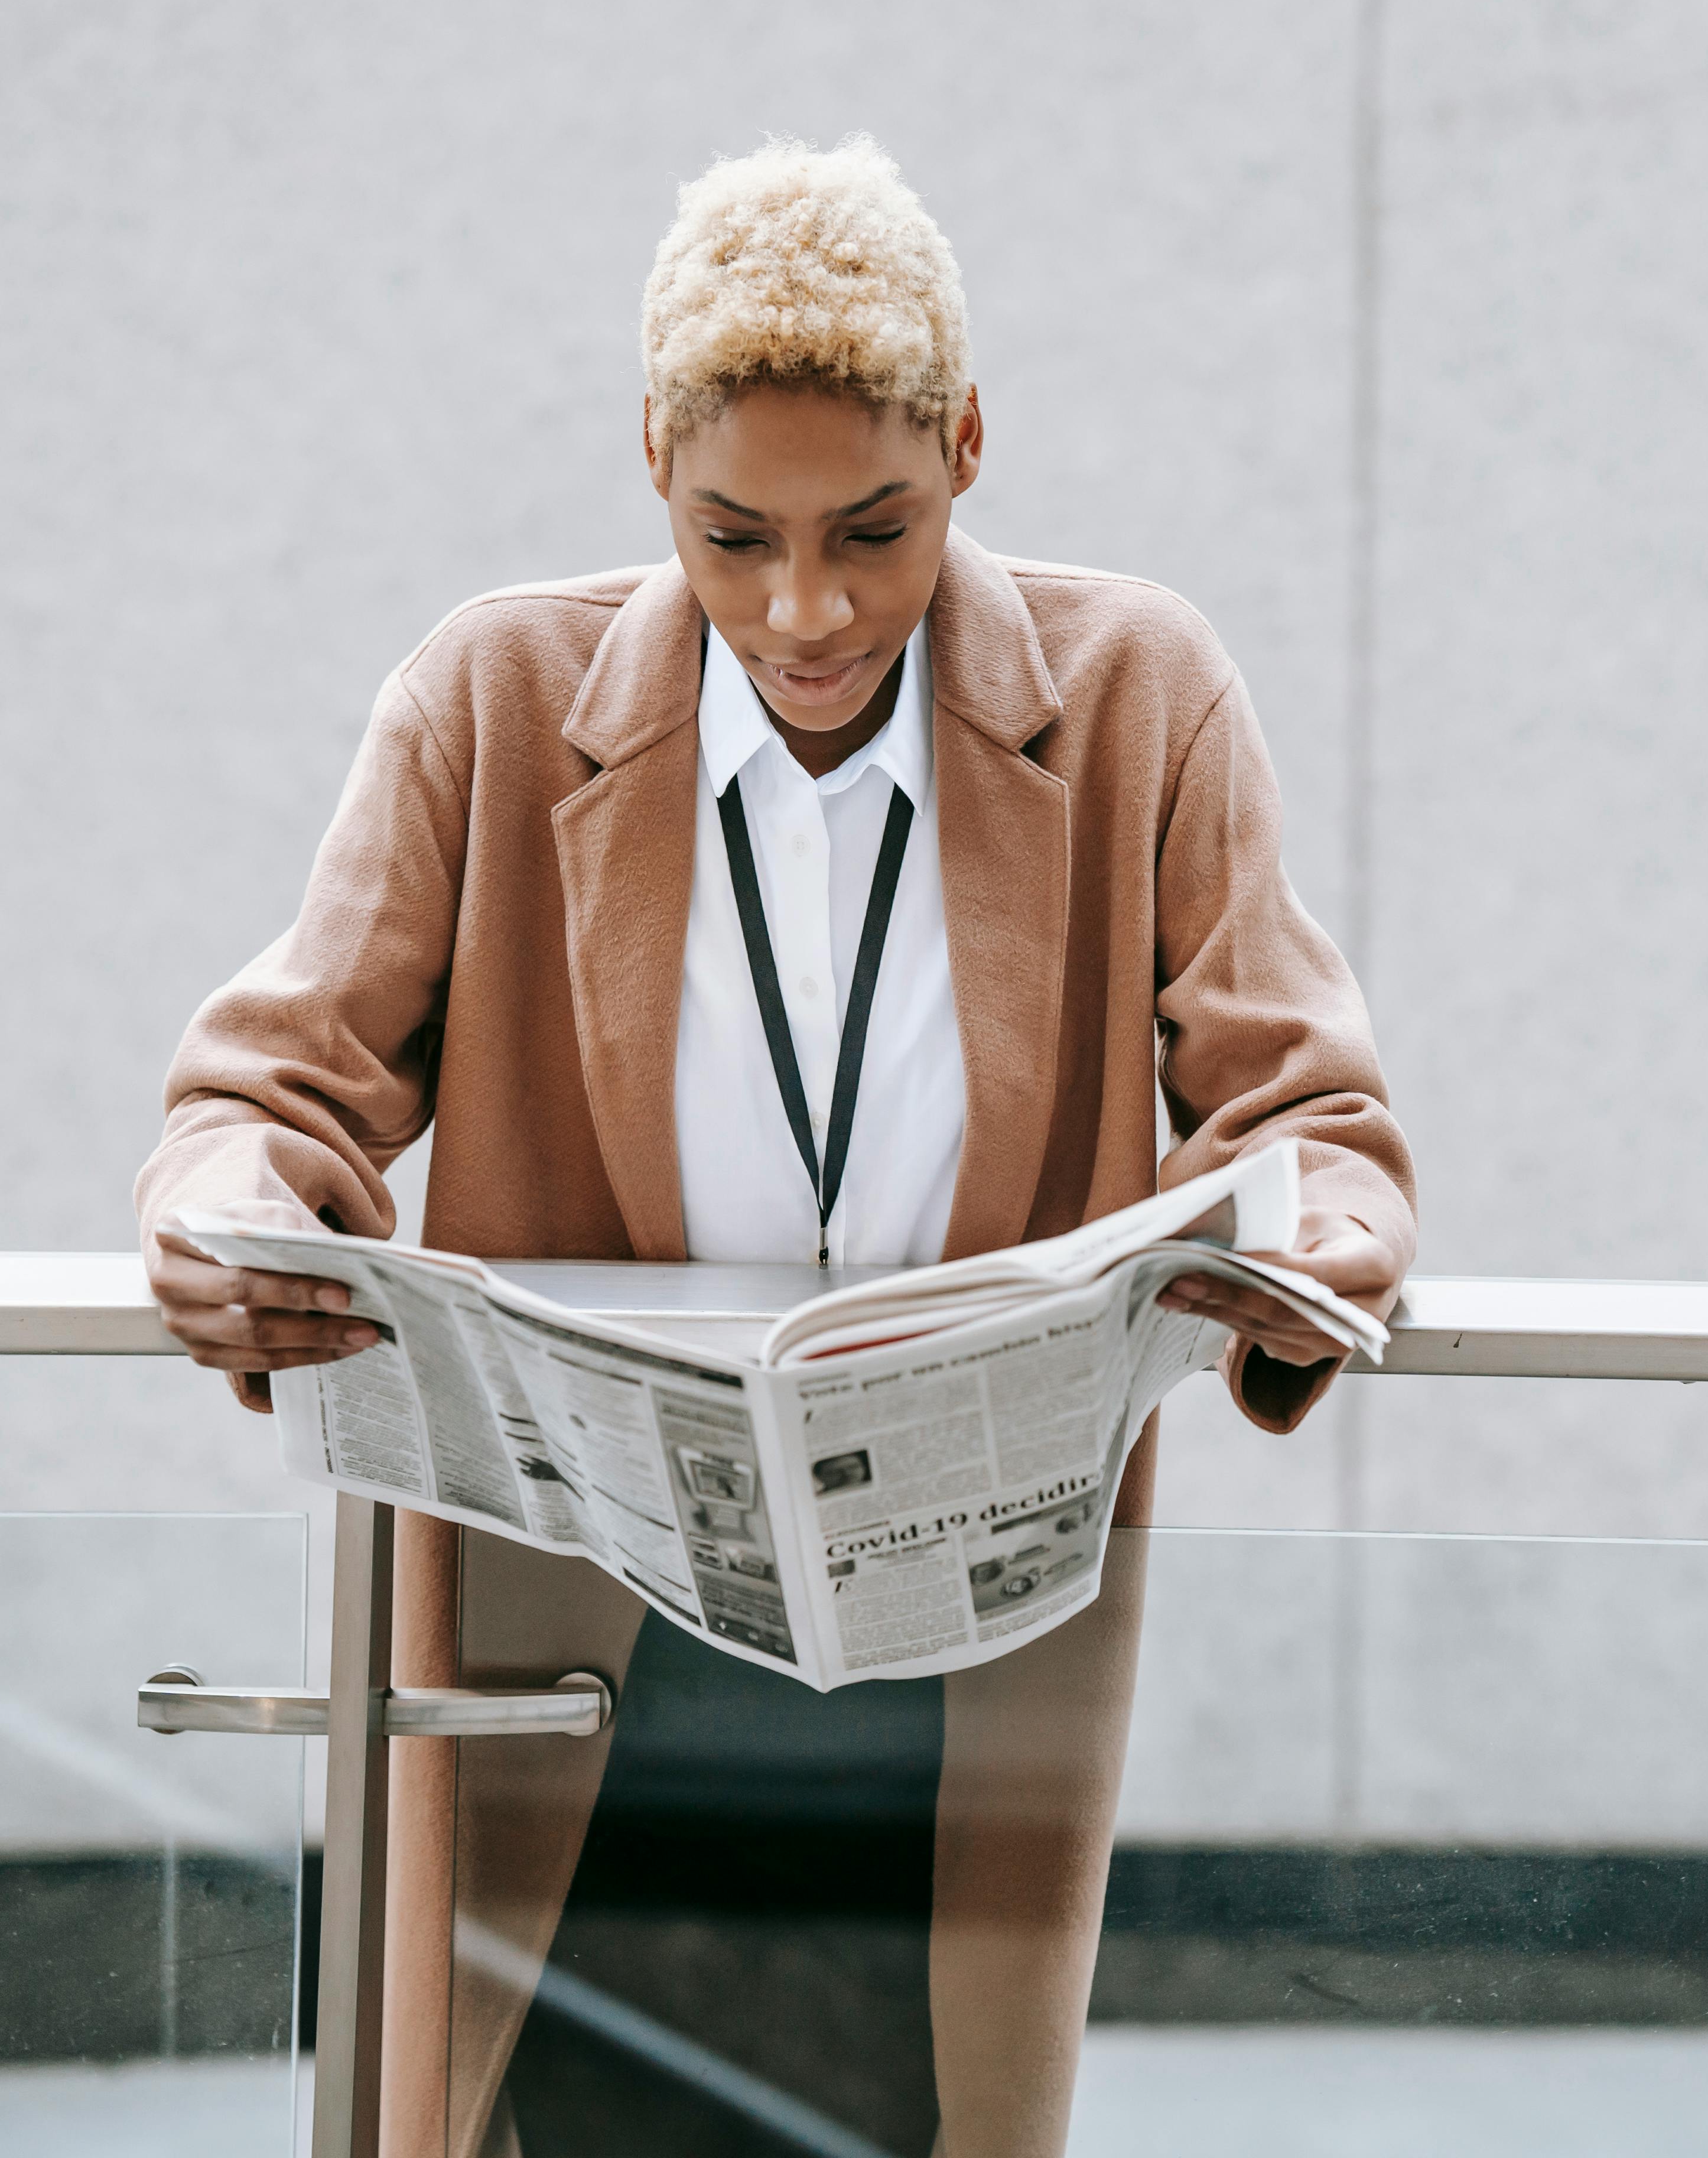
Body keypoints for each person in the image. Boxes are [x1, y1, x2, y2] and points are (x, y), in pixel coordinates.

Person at [135, 137, 1414, 2158]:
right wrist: (224, 1214)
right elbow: (267, 1092)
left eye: (874, 531)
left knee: (917, 2114)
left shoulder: (1142, 695)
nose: (804, 609)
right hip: (583, 1640)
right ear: (650, 458)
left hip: (967, 1652)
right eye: (734, 538)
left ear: (972, 448)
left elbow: (1307, 1113)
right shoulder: (494, 696)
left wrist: (1330, 1236)